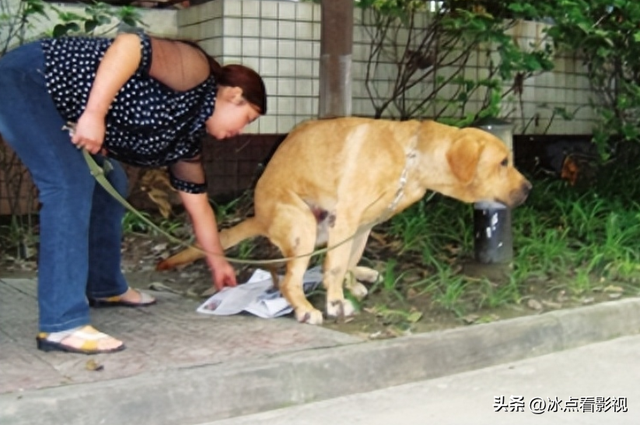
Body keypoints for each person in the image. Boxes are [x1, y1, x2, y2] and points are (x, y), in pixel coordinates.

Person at [0, 31, 267, 354]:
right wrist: (94, 114)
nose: (240, 131)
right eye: (247, 118)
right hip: (29, 79)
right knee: (69, 184)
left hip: (59, 101)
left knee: (111, 182)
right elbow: (129, 45)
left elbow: (199, 206)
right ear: (233, 95)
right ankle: (62, 324)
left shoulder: (185, 139)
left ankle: (105, 286)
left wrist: (218, 263)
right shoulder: (195, 72)